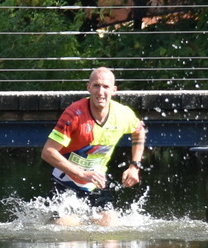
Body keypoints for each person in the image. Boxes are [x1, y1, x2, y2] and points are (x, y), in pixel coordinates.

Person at [41, 67, 147, 226]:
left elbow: (139, 132)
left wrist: (134, 166)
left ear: (114, 90)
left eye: (105, 87)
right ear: (88, 87)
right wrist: (82, 173)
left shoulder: (123, 115)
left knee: (110, 226)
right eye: (96, 85)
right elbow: (48, 152)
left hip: (96, 182)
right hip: (66, 181)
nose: (100, 92)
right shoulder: (74, 114)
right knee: (68, 226)